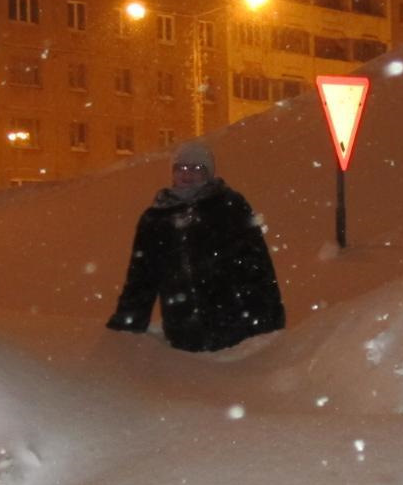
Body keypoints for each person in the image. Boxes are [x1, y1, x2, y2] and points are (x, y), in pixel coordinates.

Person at [105, 139, 285, 352]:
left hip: (235, 332)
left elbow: (256, 265)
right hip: (183, 335)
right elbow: (141, 278)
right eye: (181, 167)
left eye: (196, 168)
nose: (187, 174)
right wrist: (125, 327)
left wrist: (268, 321)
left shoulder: (228, 206)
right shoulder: (155, 218)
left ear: (208, 173)